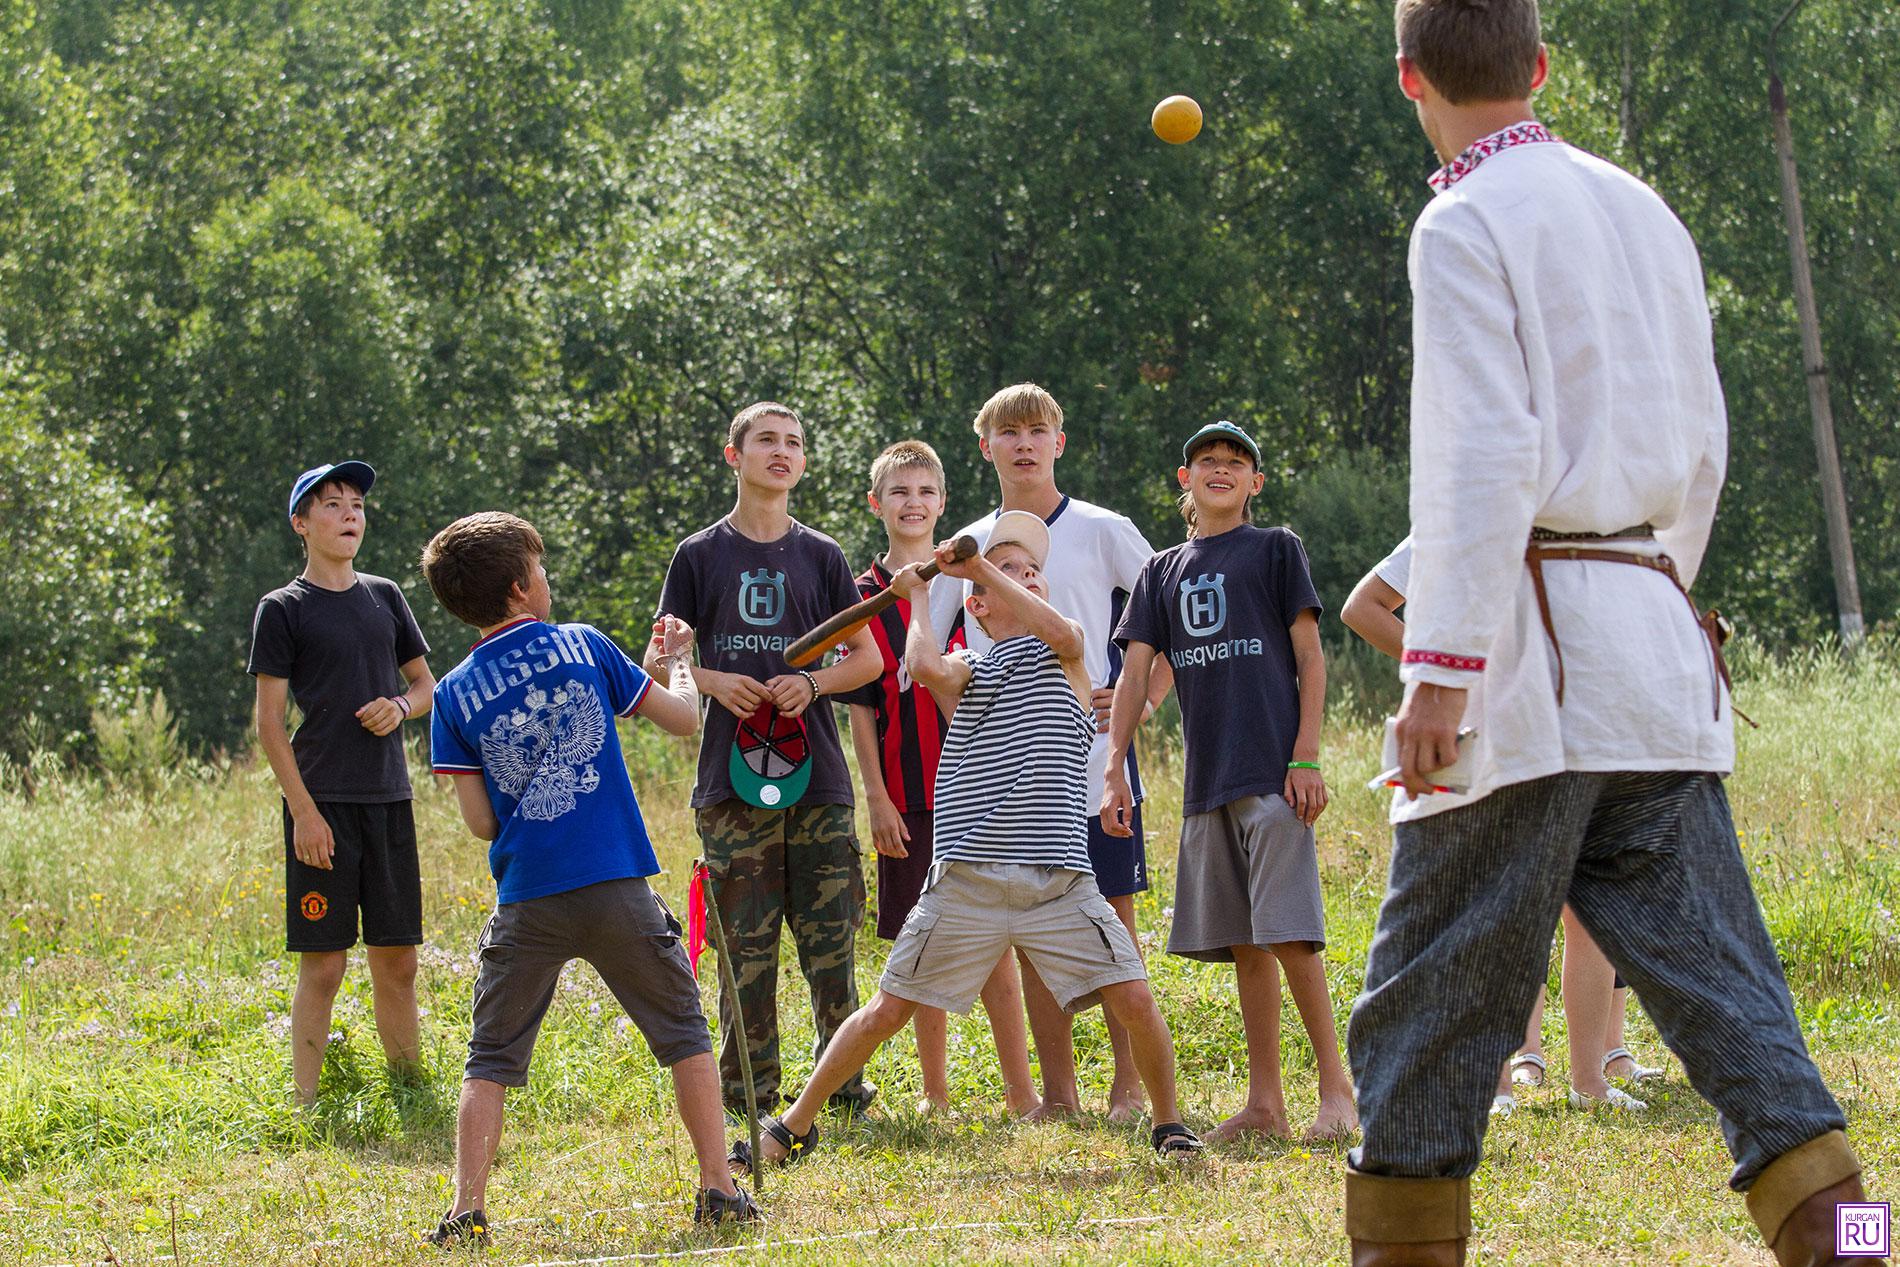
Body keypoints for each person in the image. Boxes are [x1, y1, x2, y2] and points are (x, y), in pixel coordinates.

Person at [1345, 4, 1875, 1265]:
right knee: (1750, 1032)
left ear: (1408, 73)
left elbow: (1481, 459)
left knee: (1418, 1037)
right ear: (1537, 67)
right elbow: (1703, 442)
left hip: (1528, 684)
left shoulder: (1462, 218)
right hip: (1649, 648)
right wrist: (1644, 599)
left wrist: (1438, 677)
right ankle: (1861, 1248)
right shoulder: (1645, 210)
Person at [731, 516, 1204, 1172]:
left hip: (1058, 879)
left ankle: (1169, 1122)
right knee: (887, 1009)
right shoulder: (968, 669)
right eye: (1013, 572)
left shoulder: (1070, 654)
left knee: (1134, 995)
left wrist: (979, 566)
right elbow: (920, 664)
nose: (1027, 577)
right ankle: (790, 1125)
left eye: (1034, 572)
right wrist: (920, 596)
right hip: (965, 879)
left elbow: (1062, 629)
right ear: (977, 609)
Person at [421, 511, 757, 1241]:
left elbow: (480, 822)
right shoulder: (582, 643)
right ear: (520, 585)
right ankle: (718, 1187)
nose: (548, 580)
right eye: (540, 569)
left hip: (527, 897)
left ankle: (466, 1210)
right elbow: (679, 719)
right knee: (683, 1033)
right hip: (615, 884)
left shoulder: (450, 693)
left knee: (491, 1057)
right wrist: (675, 658)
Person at [1343, 536, 1663, 1115]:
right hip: (1490, 747)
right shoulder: (1454, 519)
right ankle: (1497, 1085)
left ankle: (1590, 1084)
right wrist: (1449, 675)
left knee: (1588, 911)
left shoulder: (1581, 524)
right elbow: (1363, 607)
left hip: (1580, 737)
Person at [1104, 421, 1357, 1143]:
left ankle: (1336, 1090)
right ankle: (1265, 1103)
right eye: (1206, 461)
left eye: (1236, 462)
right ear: (1185, 479)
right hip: (1205, 780)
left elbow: (1310, 658)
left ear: (1256, 483)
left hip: (1273, 772)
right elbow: (1135, 673)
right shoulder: (1160, 570)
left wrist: (1305, 756)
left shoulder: (1277, 549)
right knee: (1247, 942)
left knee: (1291, 934)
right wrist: (1113, 764)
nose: (1221, 469)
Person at [928, 382, 1172, 1121]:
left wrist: (1141, 698)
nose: (1025, 444)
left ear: (1058, 442)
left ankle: (1129, 1084)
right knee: (1033, 932)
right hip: (1008, 782)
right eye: (1010, 433)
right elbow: (935, 656)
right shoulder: (966, 549)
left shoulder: (1102, 528)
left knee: (1116, 922)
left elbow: (1168, 612)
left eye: (1038, 431)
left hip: (1095, 761)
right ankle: (1059, 1091)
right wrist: (974, 729)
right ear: (987, 447)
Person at [655, 402, 883, 1116]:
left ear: (804, 462)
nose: (781, 452)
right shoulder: (699, 555)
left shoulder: (823, 556)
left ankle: (840, 1088)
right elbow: (662, 666)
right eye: (766, 441)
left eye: (793, 443)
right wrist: (715, 681)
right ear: (735, 455)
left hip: (818, 781)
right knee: (743, 954)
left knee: (830, 947)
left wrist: (812, 681)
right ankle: (748, 1093)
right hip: (731, 784)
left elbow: (868, 659)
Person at [845, 440, 1038, 1115]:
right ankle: (935, 1091)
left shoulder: (968, 584)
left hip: (975, 788)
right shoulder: (864, 595)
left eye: (926, 491)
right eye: (899, 491)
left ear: (944, 502)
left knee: (994, 942)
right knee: (918, 943)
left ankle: (1021, 1090)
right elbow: (864, 709)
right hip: (906, 792)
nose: (913, 502)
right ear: (877, 503)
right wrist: (876, 795)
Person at [248, 461, 434, 1107]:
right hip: (322, 803)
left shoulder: (385, 595)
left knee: (399, 958)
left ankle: (409, 1089)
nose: (350, 513)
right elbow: (269, 723)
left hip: (389, 799)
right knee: (324, 961)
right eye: (332, 504)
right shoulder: (282, 608)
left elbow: (424, 686)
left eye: (356, 503)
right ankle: (305, 1101)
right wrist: (303, 812)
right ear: (302, 523)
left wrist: (400, 707)